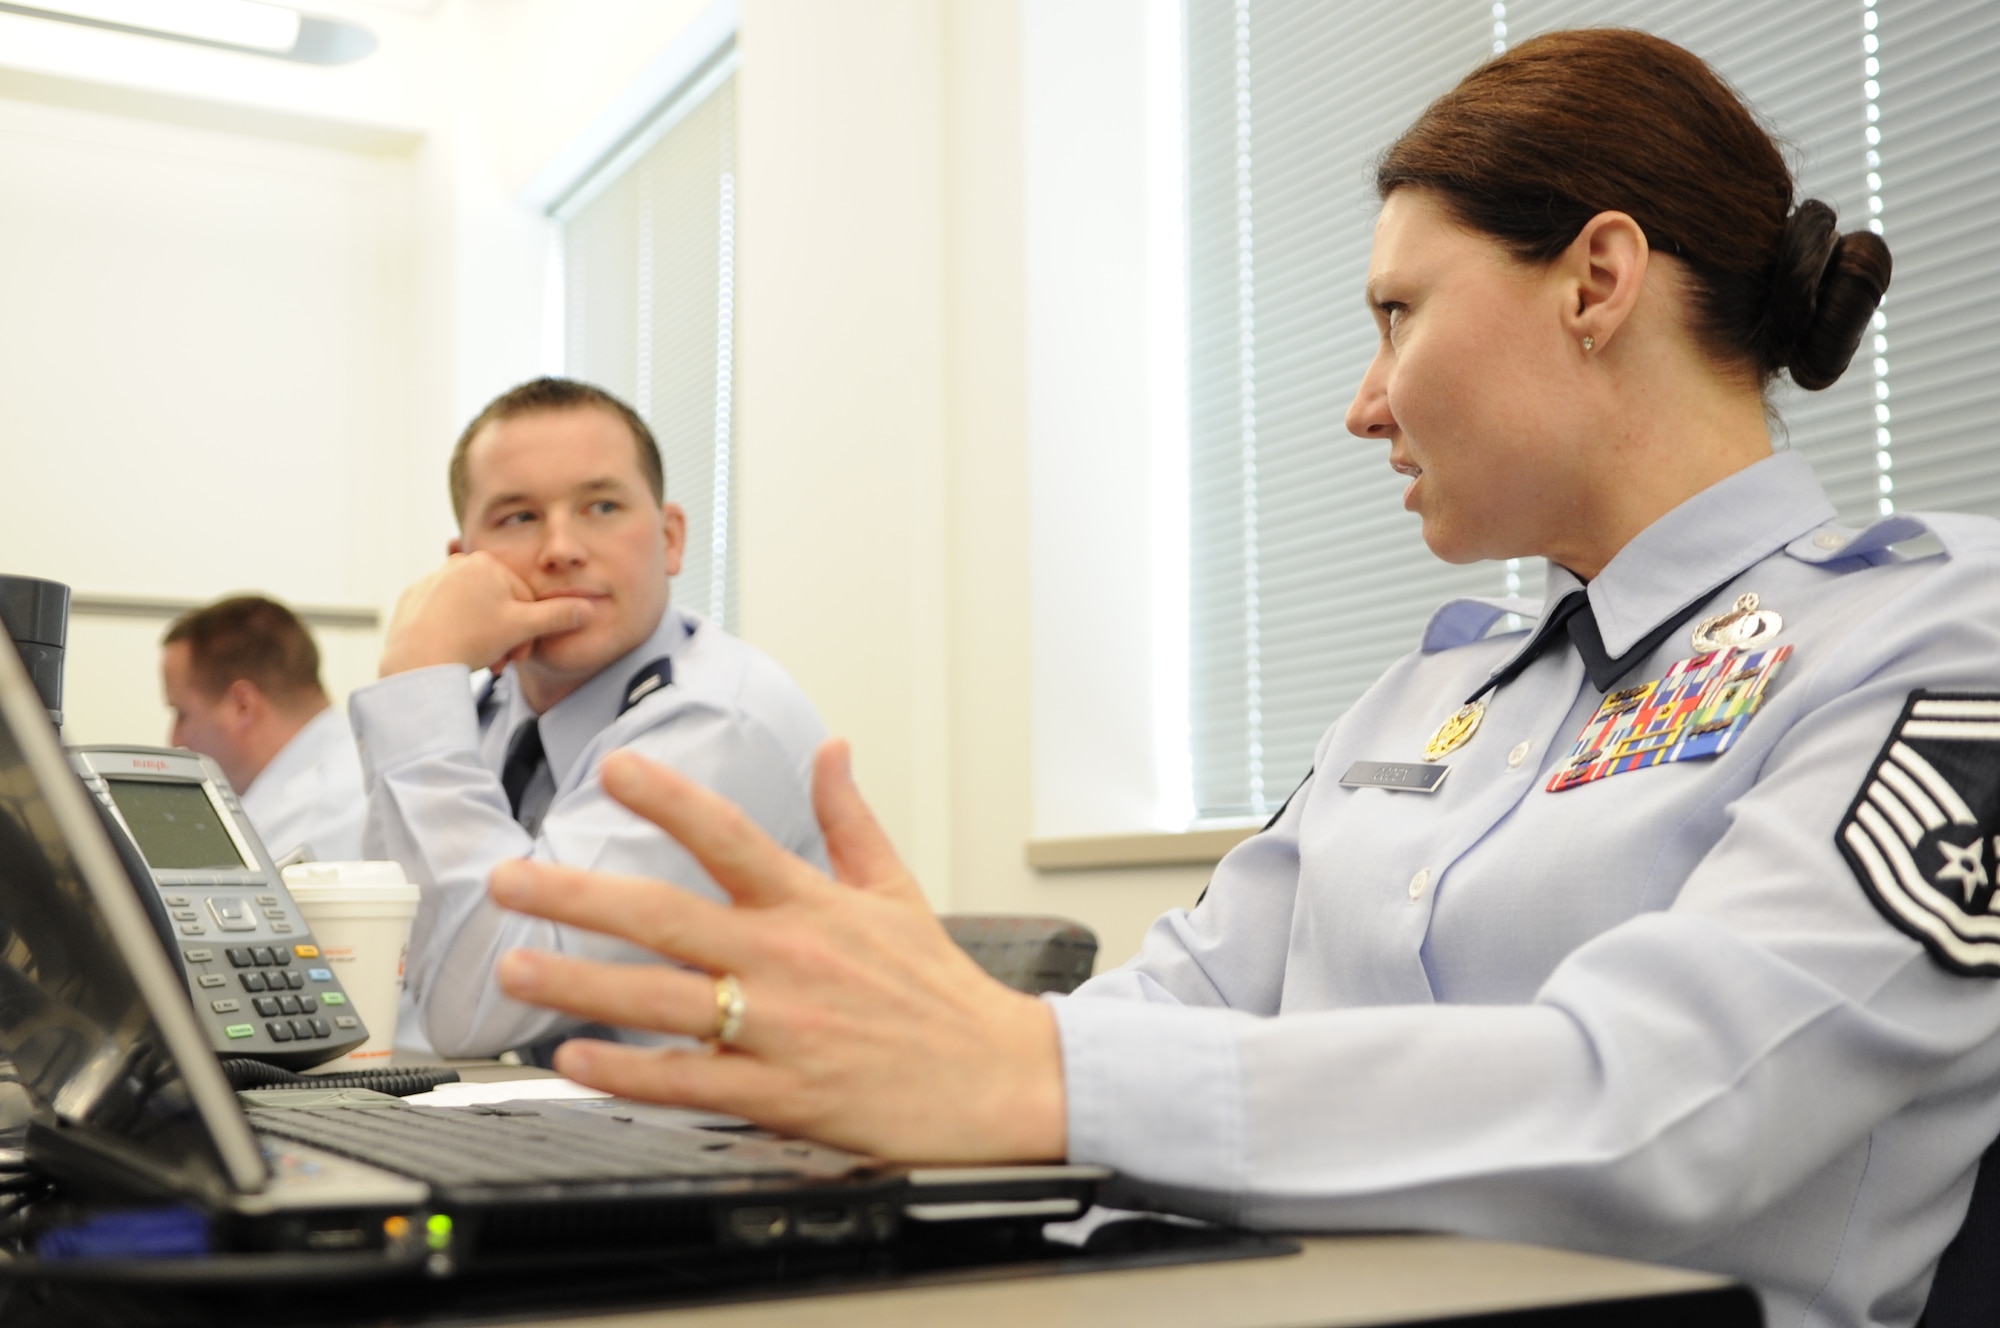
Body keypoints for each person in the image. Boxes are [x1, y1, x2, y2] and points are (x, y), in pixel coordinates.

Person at [477, 31, 1997, 1328]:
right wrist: (908, 1034)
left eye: (1398, 314)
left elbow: (1668, 1104)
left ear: (1596, 279)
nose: (1363, 402)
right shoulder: (1438, 687)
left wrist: (1031, 1075)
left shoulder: (1933, 637)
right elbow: (1186, 995)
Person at [348, 377, 828, 1060]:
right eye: (518, 516)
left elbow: (478, 1001)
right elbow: (389, 975)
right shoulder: (486, 716)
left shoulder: (715, 722)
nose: (562, 548)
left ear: (670, 540)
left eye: (602, 506)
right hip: (549, 1139)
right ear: (462, 566)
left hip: (727, 1153)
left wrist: (418, 682)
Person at [161, 595, 365, 862]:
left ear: (242, 705)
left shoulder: (321, 813)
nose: (175, 740)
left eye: (182, 714)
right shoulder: (352, 767)